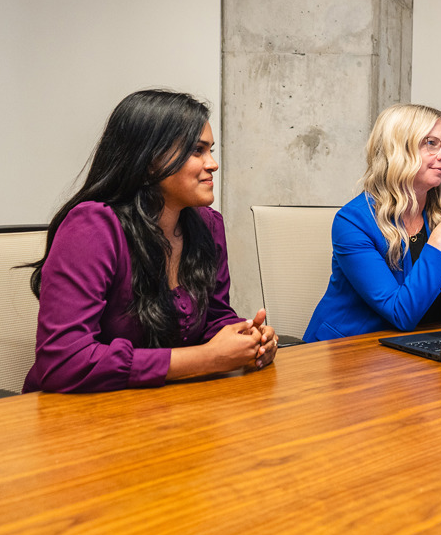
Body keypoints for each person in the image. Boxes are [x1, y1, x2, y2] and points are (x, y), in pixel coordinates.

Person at [23, 90, 277, 393]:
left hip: (167, 406)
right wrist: (205, 358)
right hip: (77, 415)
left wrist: (248, 339)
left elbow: (214, 316)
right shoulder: (92, 228)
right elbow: (64, 363)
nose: (213, 164)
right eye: (197, 151)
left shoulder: (208, 225)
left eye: (210, 150)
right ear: (149, 161)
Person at [304, 103, 441, 341]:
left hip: (418, 349)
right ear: (398, 150)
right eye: (431, 143)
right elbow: (401, 313)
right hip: (348, 354)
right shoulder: (353, 222)